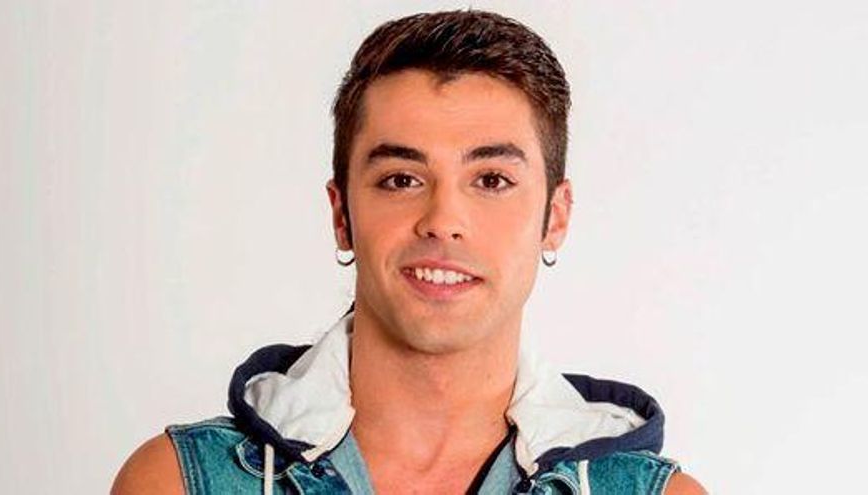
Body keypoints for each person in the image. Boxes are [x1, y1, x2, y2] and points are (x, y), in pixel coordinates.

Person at [113, 9, 706, 494]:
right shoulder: (174, 483)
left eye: (491, 180)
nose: (443, 221)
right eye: (401, 179)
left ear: (555, 217)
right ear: (342, 215)